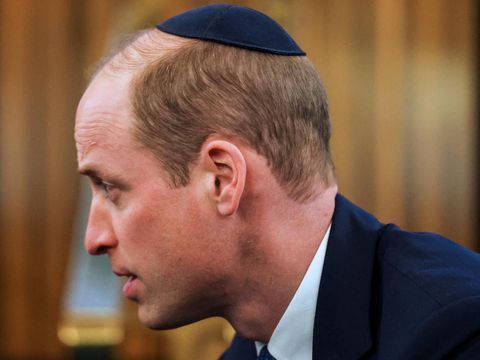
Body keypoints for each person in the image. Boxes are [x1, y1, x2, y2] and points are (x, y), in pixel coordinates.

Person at [74, 4, 480, 359]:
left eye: (111, 189)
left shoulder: (456, 332)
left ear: (222, 179)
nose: (94, 239)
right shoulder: (251, 349)